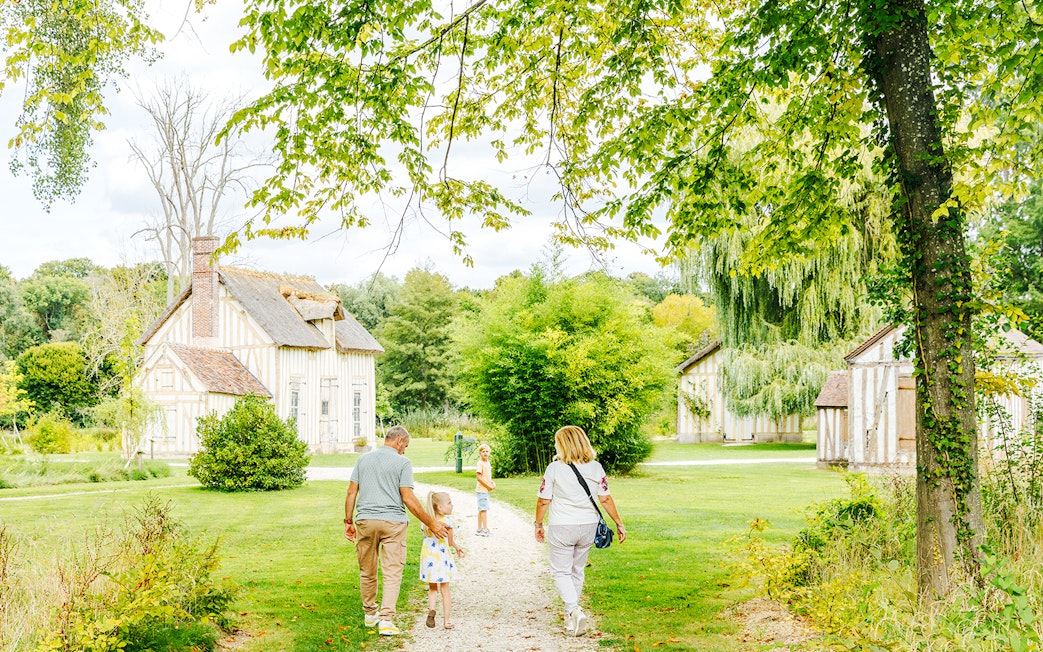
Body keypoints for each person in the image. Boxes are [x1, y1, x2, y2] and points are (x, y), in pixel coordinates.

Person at [344, 425, 449, 637]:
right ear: (399, 441)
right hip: (393, 523)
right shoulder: (403, 462)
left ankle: (370, 614)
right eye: (405, 446)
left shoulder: (363, 460)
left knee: (367, 569)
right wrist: (432, 523)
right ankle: (386, 619)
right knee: (392, 571)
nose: (404, 451)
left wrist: (348, 521)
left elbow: (351, 491)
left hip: (365, 520)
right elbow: (408, 498)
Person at [534, 425, 627, 637]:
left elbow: (543, 501)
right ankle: (571, 619)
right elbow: (605, 498)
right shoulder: (596, 467)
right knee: (576, 570)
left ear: (562, 444)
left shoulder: (554, 468)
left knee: (560, 571)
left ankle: (574, 609)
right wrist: (619, 523)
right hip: (588, 526)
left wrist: (538, 524)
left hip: (562, 526)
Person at [420, 491, 466, 629]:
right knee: (445, 590)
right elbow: (450, 542)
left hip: (428, 558)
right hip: (442, 558)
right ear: (439, 507)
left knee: (433, 588)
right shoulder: (449, 523)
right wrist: (458, 548)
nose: (452, 505)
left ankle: (432, 609)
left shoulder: (427, 523)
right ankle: (446, 621)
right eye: (449, 503)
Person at [475, 443, 496, 536]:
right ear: (480, 453)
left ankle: (479, 529)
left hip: (486, 490)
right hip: (482, 490)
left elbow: (487, 476)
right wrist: (488, 486)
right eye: (483, 451)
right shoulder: (480, 463)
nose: (485, 453)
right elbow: (479, 478)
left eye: (487, 451)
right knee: (483, 509)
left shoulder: (487, 463)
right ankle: (485, 529)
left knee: (481, 509)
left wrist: (492, 483)